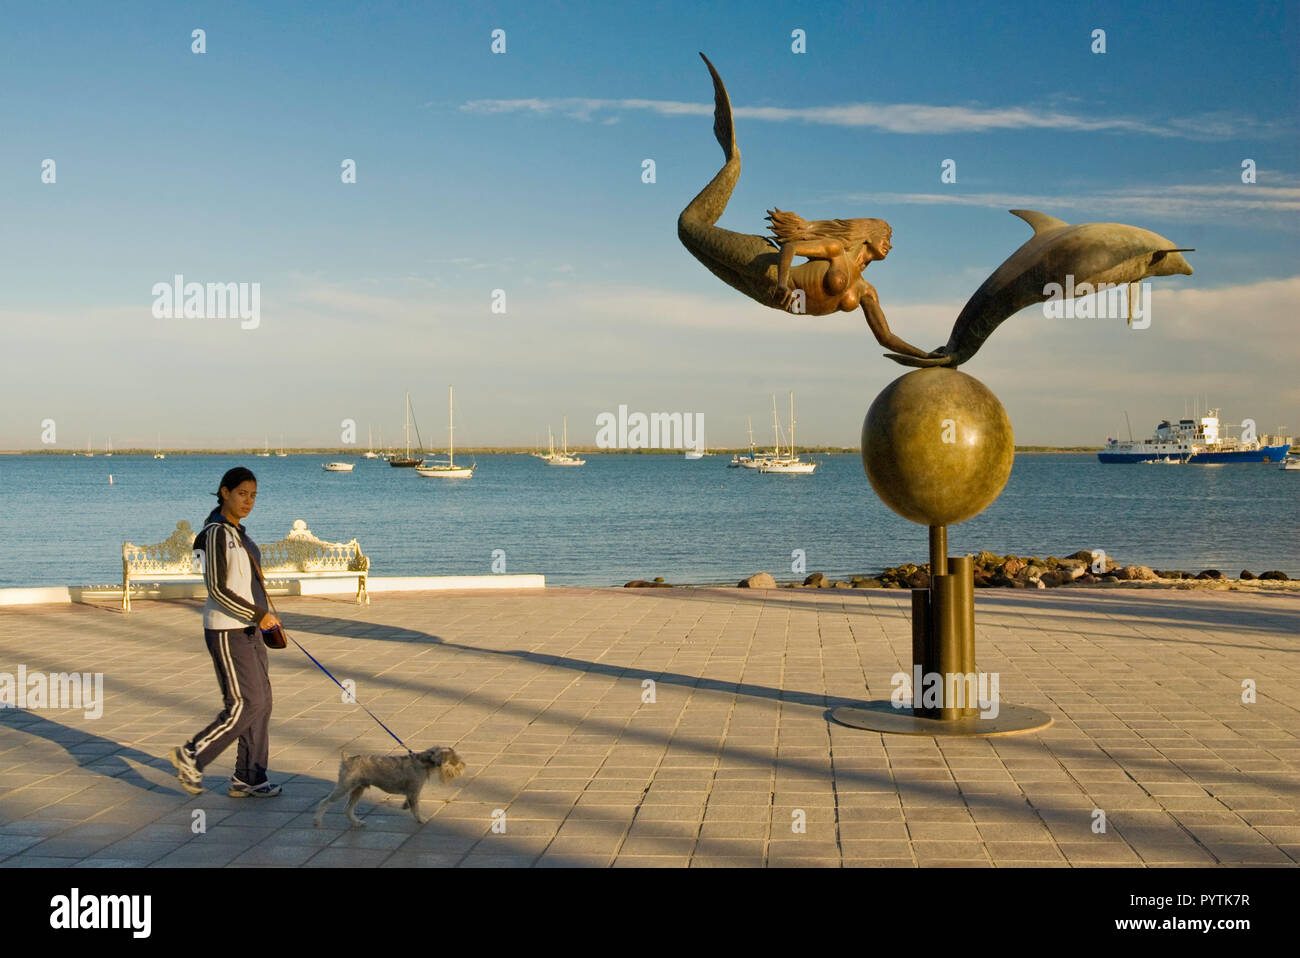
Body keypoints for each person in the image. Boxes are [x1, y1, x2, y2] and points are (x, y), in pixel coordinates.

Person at [169, 466, 283, 797]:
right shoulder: (214, 533)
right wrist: (257, 614)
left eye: (253, 495)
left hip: (250, 629)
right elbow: (217, 589)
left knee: (262, 702)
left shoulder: (238, 533)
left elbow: (246, 584)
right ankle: (192, 754)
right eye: (242, 494)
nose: (248, 501)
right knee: (245, 703)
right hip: (227, 629)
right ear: (224, 492)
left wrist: (266, 617)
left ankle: (249, 776)